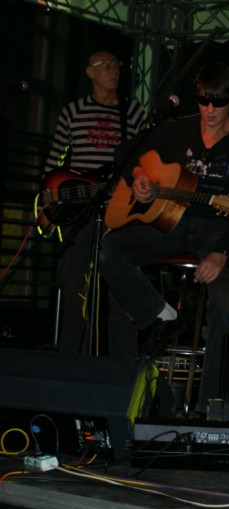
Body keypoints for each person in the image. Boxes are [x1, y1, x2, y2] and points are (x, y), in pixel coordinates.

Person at [99, 62, 229, 418]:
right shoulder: (179, 128)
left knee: (223, 303)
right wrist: (140, 175)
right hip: (170, 219)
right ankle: (159, 317)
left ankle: (209, 406)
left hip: (219, 229)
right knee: (110, 250)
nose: (210, 110)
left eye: (218, 103)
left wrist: (221, 251)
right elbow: (125, 152)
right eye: (203, 101)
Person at [42, 50, 145, 355]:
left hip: (120, 210)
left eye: (116, 65)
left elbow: (146, 159)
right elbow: (54, 161)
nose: (114, 70)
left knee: (121, 290)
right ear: (90, 72)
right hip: (80, 210)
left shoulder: (133, 112)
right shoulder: (73, 111)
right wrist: (45, 205)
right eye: (106, 65)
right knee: (76, 289)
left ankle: (122, 368)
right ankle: (69, 361)